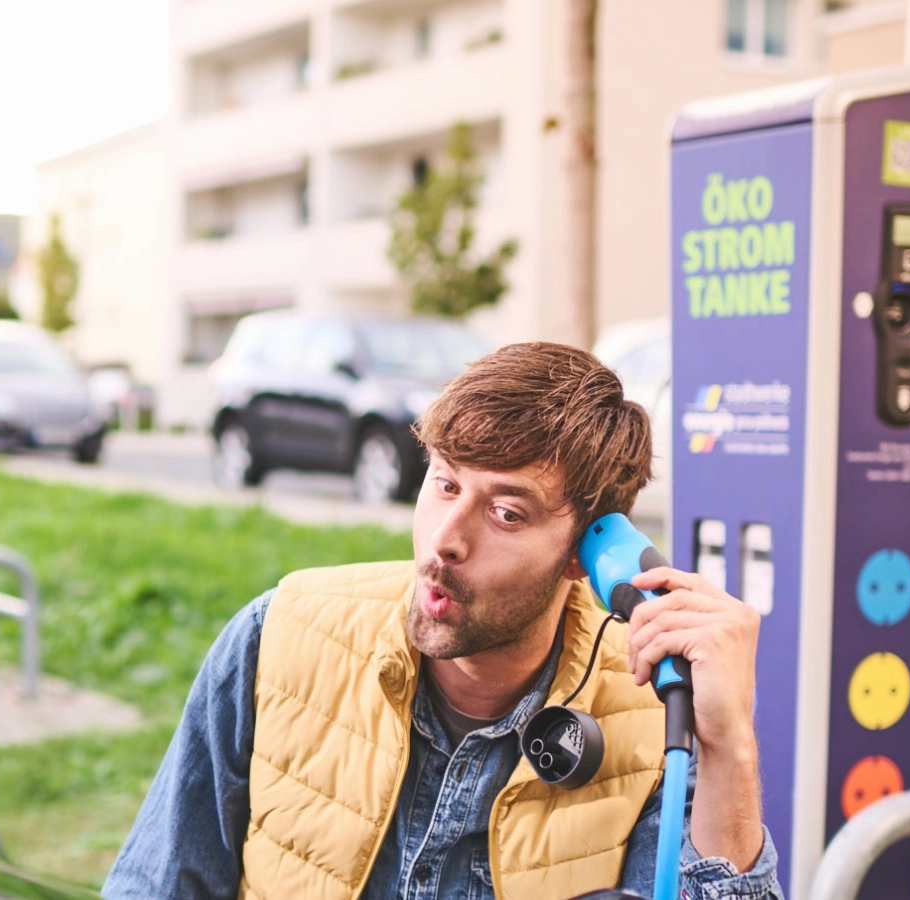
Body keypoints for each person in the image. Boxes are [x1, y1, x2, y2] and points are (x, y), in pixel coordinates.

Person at [103, 342, 779, 900]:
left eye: (506, 512)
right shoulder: (276, 636)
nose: (444, 541)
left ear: (587, 552)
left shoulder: (654, 709)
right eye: (446, 483)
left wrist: (730, 750)